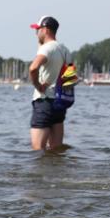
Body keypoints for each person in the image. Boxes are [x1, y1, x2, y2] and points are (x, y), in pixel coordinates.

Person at [28, 15, 71, 151]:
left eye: (38, 30)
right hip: (60, 104)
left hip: (44, 102)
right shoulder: (65, 50)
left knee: (37, 150)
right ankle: (55, 173)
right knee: (56, 149)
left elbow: (33, 68)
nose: (36, 34)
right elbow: (71, 79)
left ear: (45, 30)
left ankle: (41, 173)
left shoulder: (46, 49)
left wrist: (38, 86)